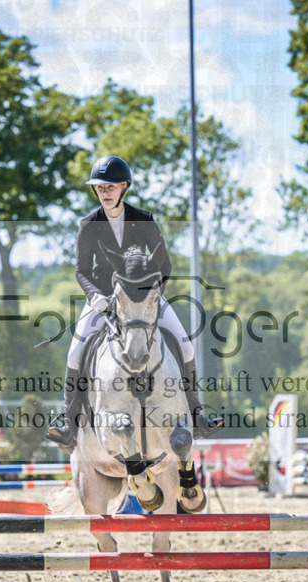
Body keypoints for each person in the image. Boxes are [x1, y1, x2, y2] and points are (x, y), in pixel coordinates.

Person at [45, 155, 223, 451]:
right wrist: (95, 297)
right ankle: (68, 423)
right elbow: (81, 270)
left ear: (124, 187)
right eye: (100, 187)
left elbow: (164, 264)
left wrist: (152, 295)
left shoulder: (144, 219)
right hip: (103, 298)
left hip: (144, 297)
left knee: (187, 346)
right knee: (75, 354)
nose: (104, 192)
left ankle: (197, 413)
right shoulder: (88, 224)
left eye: (110, 186)